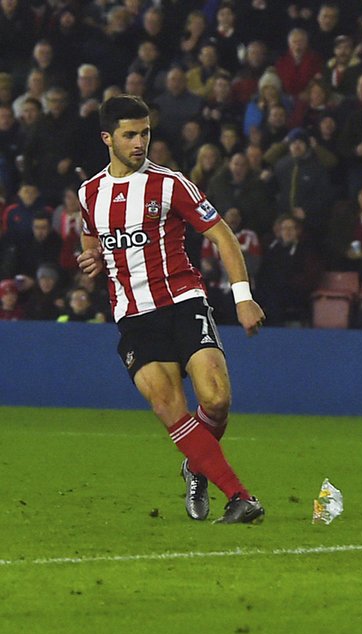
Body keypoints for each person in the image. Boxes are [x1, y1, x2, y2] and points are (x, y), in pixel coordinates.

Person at [75, 95, 265, 524]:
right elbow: (91, 247)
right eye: (129, 134)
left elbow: (222, 235)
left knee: (216, 401)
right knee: (170, 406)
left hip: (183, 302)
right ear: (108, 138)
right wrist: (91, 261)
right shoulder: (90, 194)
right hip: (135, 316)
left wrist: (243, 296)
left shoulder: (171, 184)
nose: (140, 142)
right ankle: (239, 496)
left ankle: (196, 465)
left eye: (145, 132)